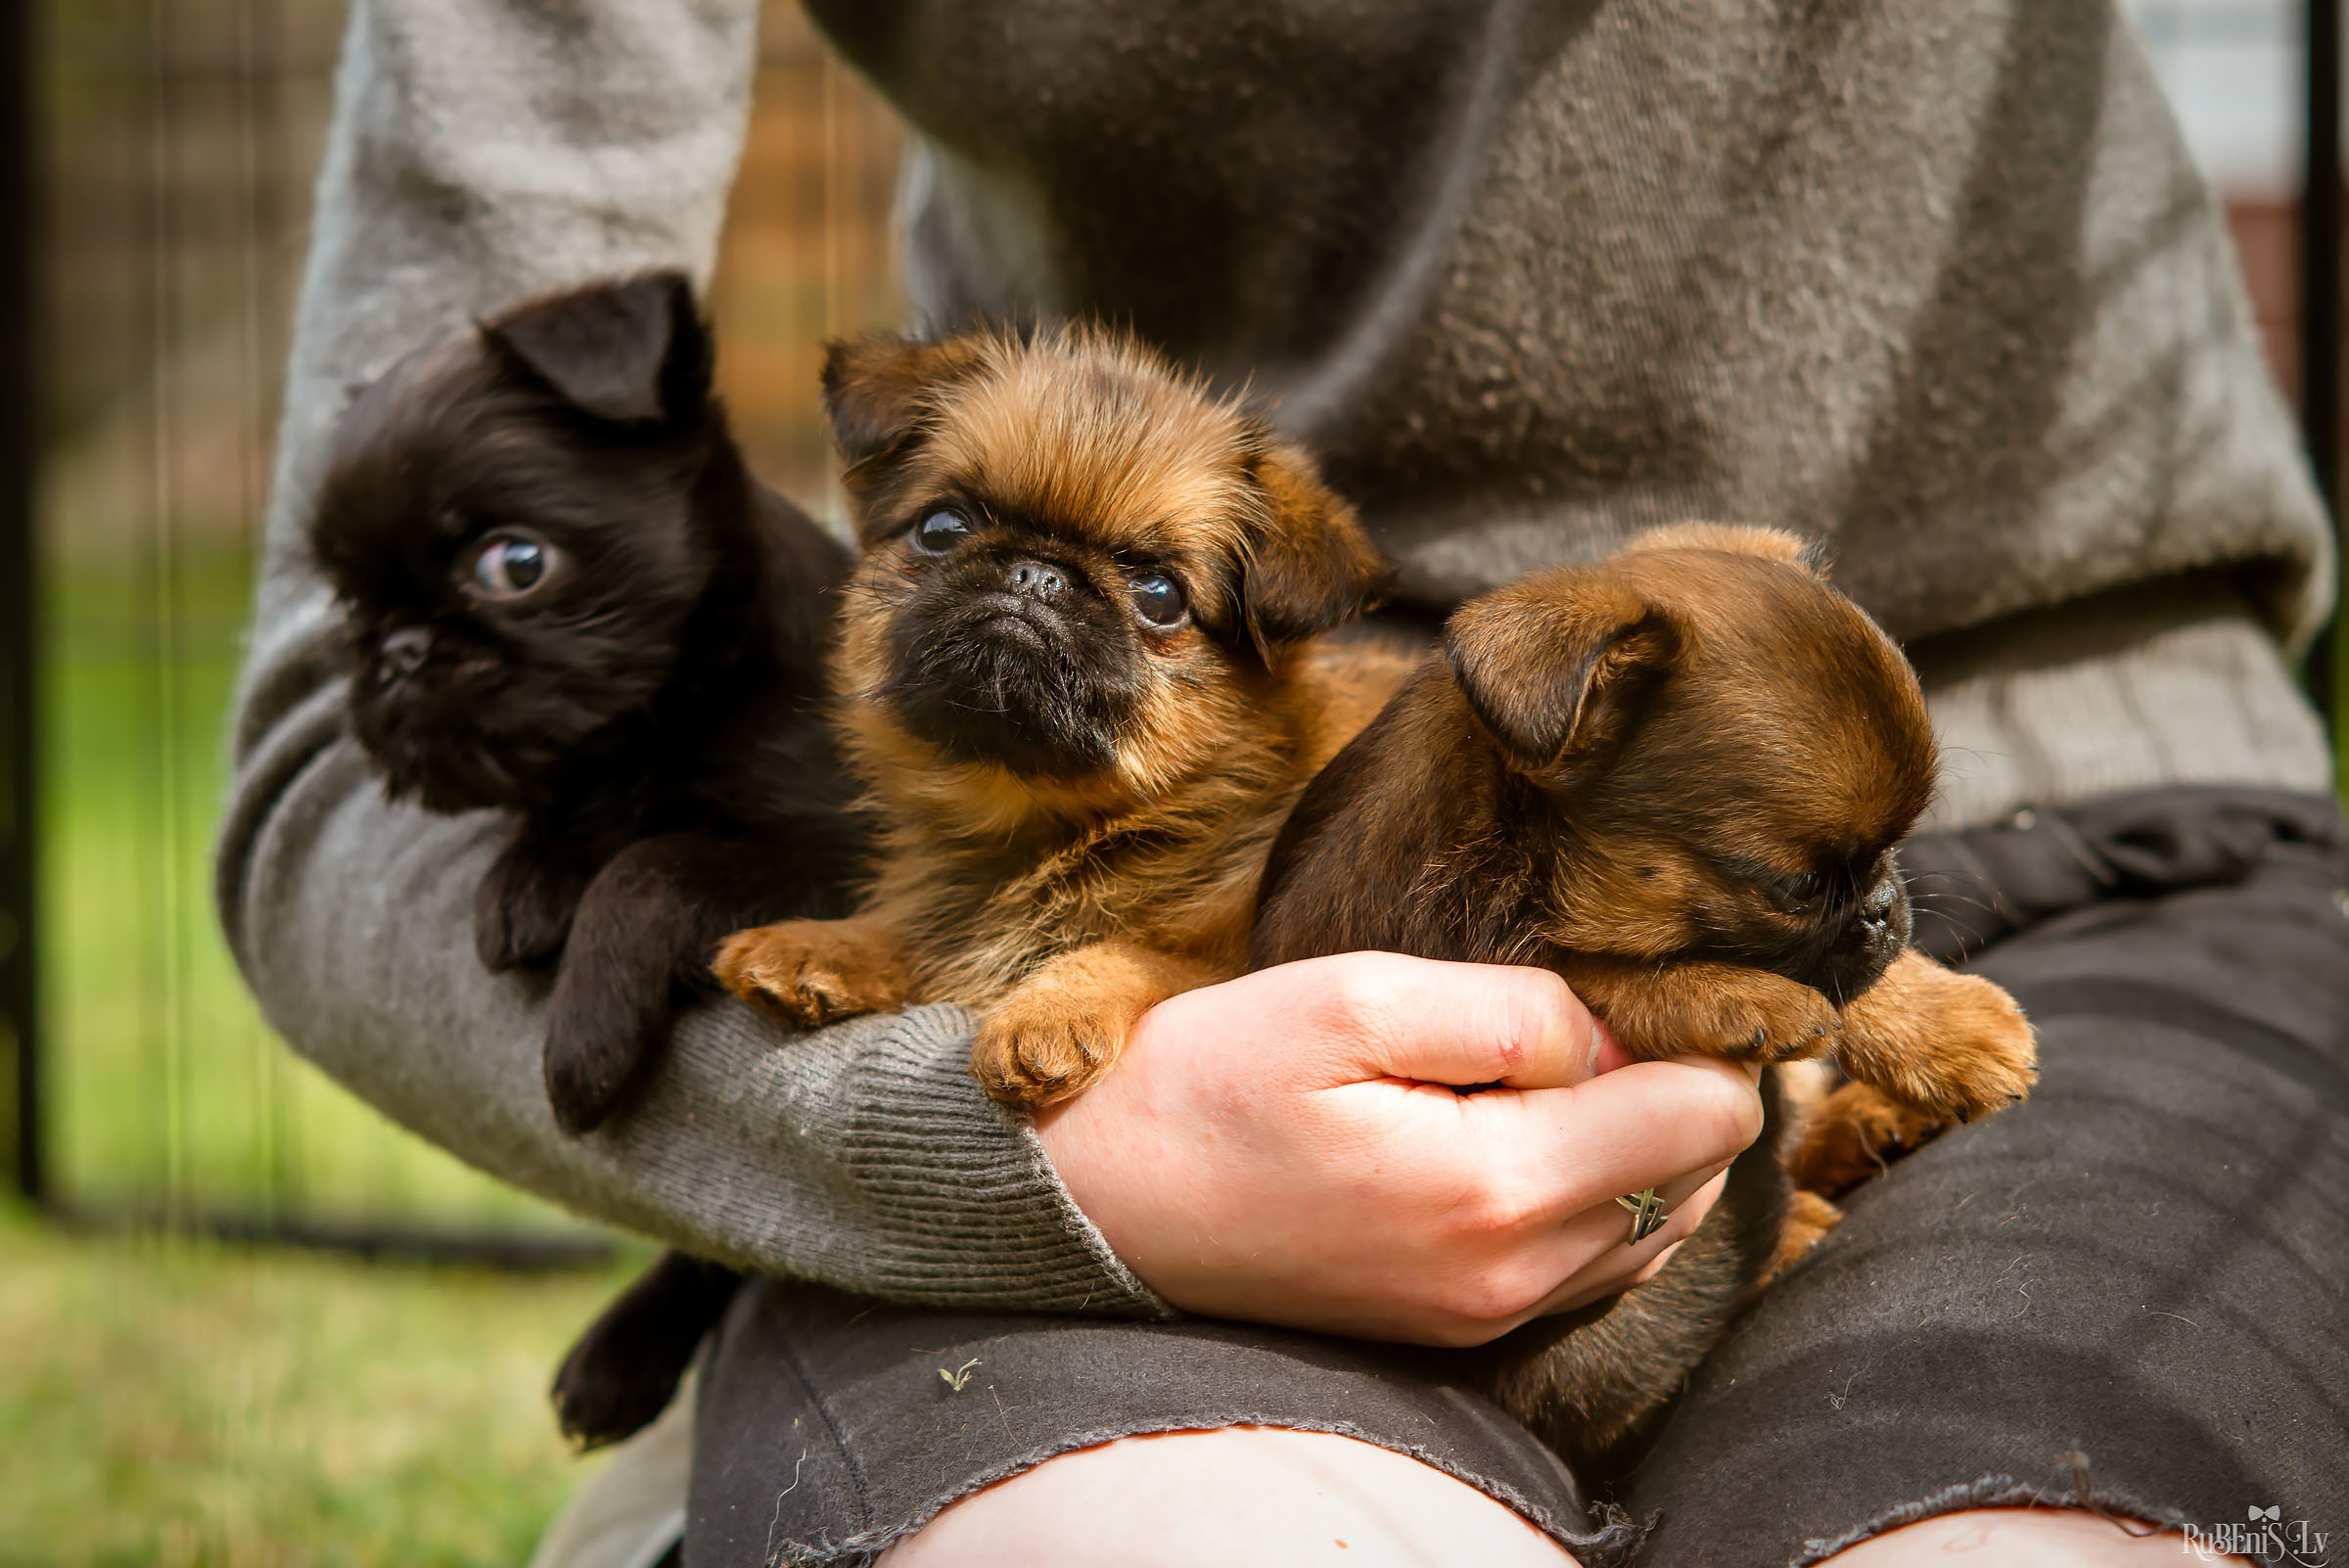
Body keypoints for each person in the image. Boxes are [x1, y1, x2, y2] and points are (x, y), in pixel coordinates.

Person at [216, 1, 2347, 1564]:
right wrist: (962, 1166)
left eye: (1133, 588)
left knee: (2026, 1529)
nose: (1024, 600)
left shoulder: (1306, 686)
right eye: (951, 537)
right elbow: (337, 732)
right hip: (1208, 1094)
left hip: (2143, 856)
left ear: (1270, 636)